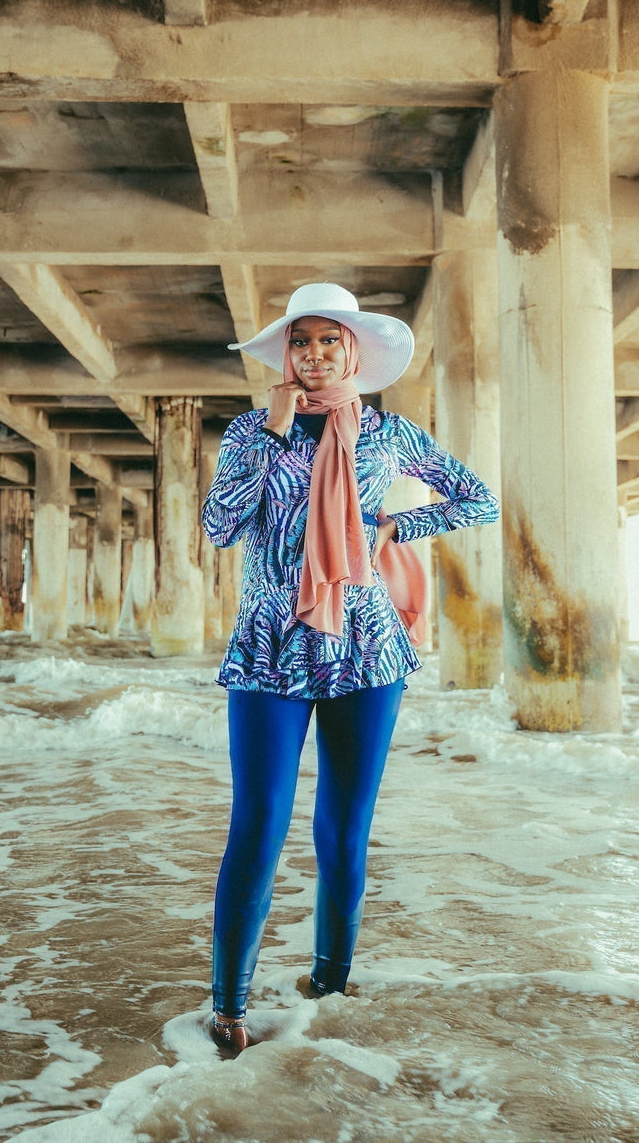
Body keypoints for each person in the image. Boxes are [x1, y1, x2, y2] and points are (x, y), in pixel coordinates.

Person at [201, 282, 499, 1053]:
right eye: (301, 342)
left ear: (352, 350)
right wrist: (269, 437)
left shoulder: (388, 434)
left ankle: (329, 987)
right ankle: (228, 1004)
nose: (314, 354)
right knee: (258, 825)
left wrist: (400, 522)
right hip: (272, 646)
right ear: (286, 354)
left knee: (344, 829)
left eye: (328, 340)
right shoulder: (249, 432)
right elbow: (220, 526)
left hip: (367, 649)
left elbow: (479, 500)